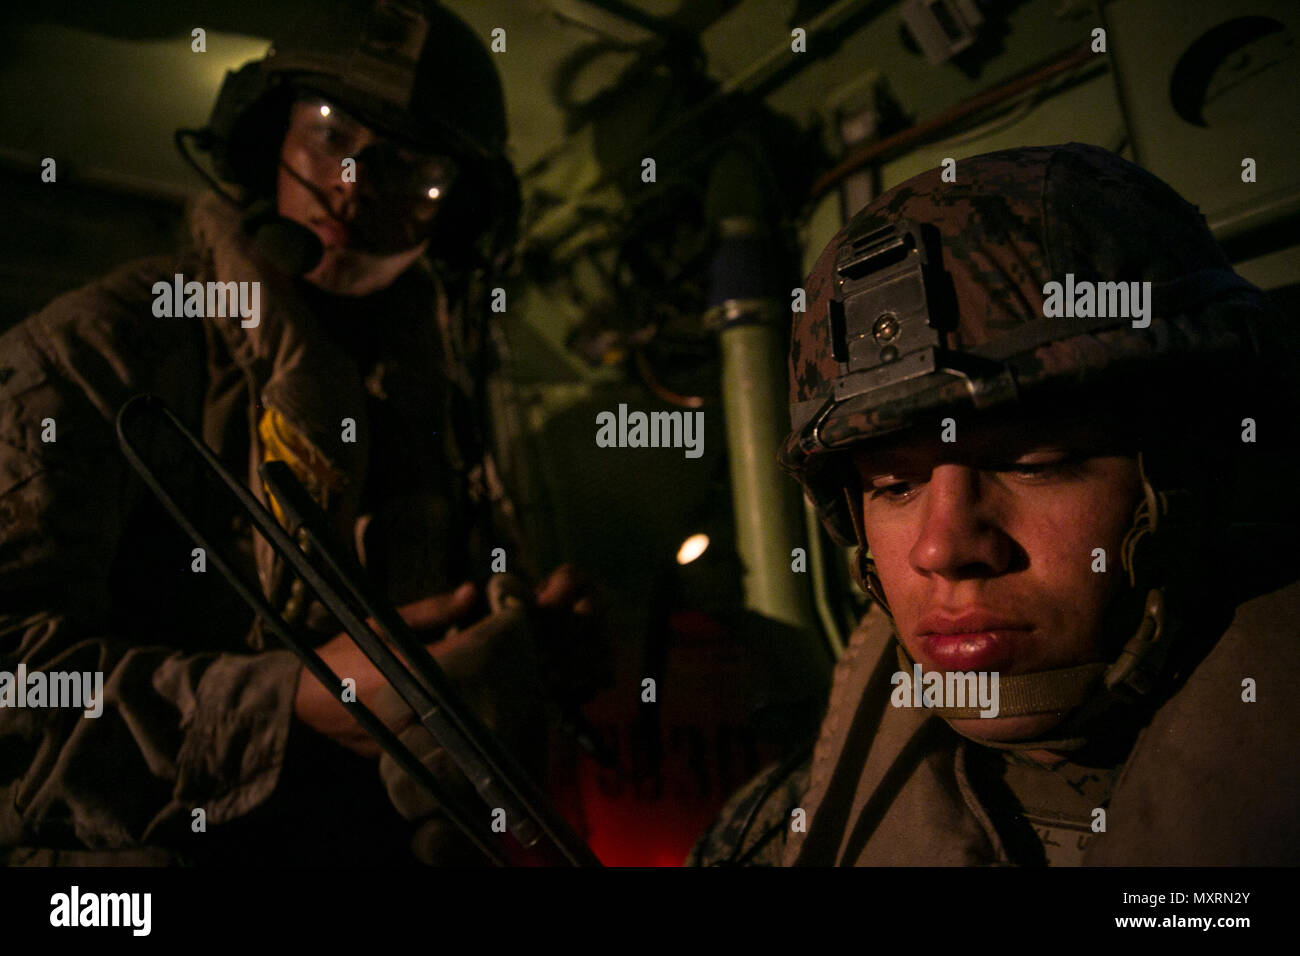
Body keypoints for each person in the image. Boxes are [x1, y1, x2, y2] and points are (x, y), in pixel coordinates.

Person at [0, 0, 598, 865]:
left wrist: (534, 655)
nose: (356, 188)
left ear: (453, 216)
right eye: (330, 136)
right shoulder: (105, 345)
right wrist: (284, 705)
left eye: (411, 171)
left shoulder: (438, 395)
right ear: (265, 138)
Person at [690, 142, 1300, 866]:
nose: (944, 546)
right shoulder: (779, 828)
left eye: (1034, 463)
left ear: (1191, 468)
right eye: (894, 484)